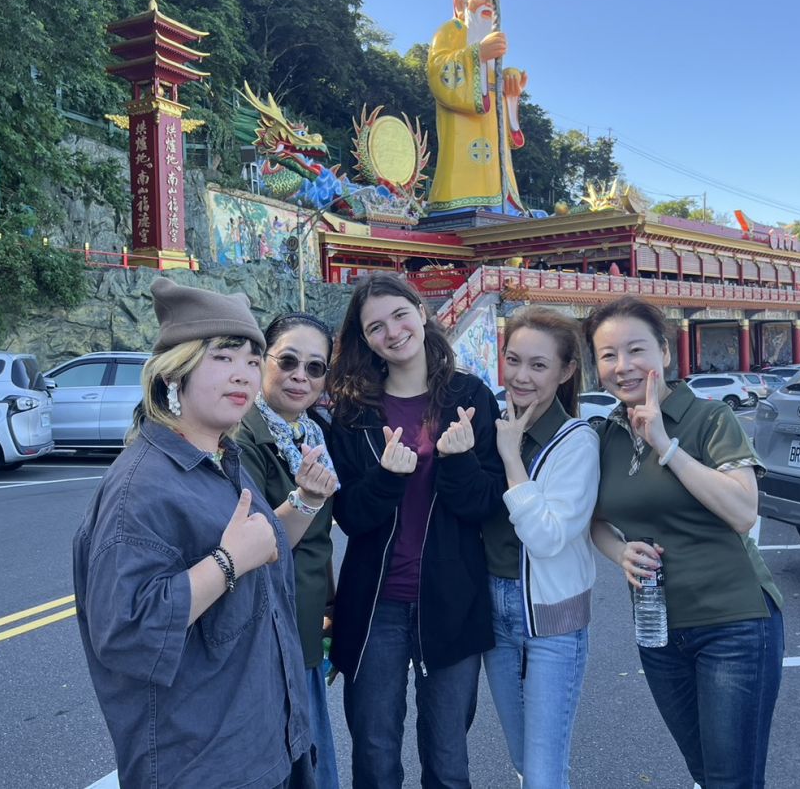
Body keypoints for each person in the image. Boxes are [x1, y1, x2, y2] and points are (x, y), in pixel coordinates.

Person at [73, 277, 312, 789]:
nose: (243, 374)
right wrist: (228, 563)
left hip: (263, 741)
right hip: (202, 763)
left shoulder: (224, 459)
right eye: (222, 357)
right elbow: (125, 631)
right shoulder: (142, 487)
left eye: (253, 360)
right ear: (174, 373)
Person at [586, 296, 784, 789]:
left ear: (665, 353)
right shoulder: (606, 434)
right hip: (658, 632)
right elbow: (593, 519)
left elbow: (743, 511)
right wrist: (619, 552)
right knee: (707, 774)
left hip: (733, 624)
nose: (623, 366)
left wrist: (665, 445)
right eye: (608, 355)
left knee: (732, 781)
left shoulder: (710, 420)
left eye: (636, 350)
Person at [326, 272, 505, 789]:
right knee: (375, 754)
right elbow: (349, 515)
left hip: (451, 598)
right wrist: (387, 478)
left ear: (421, 313)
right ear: (365, 340)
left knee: (448, 760)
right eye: (375, 327)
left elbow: (486, 504)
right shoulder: (354, 412)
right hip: (375, 603)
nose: (393, 332)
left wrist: (458, 461)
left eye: (400, 315)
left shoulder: (470, 397)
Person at [484, 306, 600, 788]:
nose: (521, 376)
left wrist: (511, 459)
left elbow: (548, 537)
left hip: (552, 622)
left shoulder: (577, 441)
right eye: (513, 360)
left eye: (538, 365)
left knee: (544, 774)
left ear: (566, 371)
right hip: (493, 611)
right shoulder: (489, 421)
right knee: (522, 760)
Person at [237, 312, 342, 789]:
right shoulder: (243, 437)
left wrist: (328, 605)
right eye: (288, 361)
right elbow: (255, 545)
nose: (301, 376)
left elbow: (319, 540)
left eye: (315, 367)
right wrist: (305, 499)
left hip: (304, 621)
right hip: (267, 631)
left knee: (311, 757)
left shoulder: (312, 432)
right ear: (262, 360)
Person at [426, 0, 528, 213]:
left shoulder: (488, 38)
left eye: (492, 0)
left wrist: (510, 86)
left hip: (494, 136)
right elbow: (438, 70)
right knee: (463, 181)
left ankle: (502, 201)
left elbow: (493, 84)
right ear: (460, 4)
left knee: (501, 187)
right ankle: (461, 199)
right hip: (462, 133)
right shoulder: (451, 30)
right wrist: (478, 54)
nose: (488, 4)